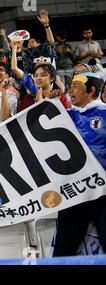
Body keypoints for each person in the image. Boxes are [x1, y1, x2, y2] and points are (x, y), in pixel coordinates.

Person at [53, 72, 106, 256]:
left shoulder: (104, 114)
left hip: (103, 193)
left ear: (91, 91)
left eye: (76, 86)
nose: (70, 90)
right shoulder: (64, 116)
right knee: (63, 249)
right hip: (75, 191)